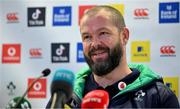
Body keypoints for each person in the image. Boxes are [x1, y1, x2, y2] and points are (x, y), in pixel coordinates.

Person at [46, 5, 179, 108]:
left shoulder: (159, 96)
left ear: (124, 36)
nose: (95, 44)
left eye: (103, 33)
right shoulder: (64, 97)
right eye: (87, 37)